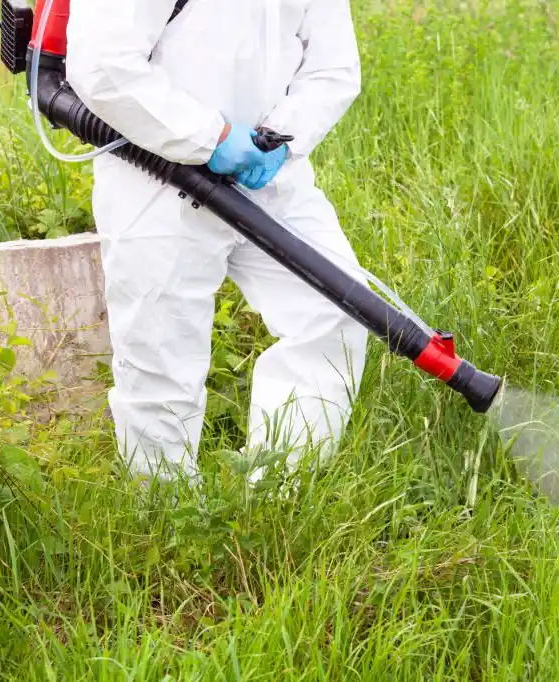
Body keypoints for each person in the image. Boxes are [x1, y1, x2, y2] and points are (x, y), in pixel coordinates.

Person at [65, 0, 368, 483]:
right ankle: (164, 522)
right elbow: (102, 62)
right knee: (160, 364)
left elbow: (333, 66)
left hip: (270, 175)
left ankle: (279, 499)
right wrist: (212, 137)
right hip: (158, 176)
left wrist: (283, 135)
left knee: (334, 313)